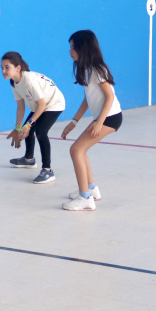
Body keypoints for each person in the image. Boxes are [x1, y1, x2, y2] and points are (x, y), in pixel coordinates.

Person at [60, 30, 122, 211]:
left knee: (76, 150)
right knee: (81, 150)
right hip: (104, 117)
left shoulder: (96, 69)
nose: (70, 51)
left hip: (110, 117)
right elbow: (88, 99)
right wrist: (74, 122)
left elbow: (109, 96)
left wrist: (99, 122)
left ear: (84, 48)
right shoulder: (87, 69)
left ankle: (85, 198)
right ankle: (91, 189)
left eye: (73, 47)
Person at [1, 52, 66, 184]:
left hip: (54, 104)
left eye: (7, 67)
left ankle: (47, 170)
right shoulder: (14, 82)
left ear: (18, 68)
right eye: (2, 67)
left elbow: (42, 105)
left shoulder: (29, 80)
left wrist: (28, 125)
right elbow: (21, 107)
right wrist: (18, 128)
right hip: (40, 106)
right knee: (27, 129)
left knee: (41, 132)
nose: (3, 71)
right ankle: (29, 159)